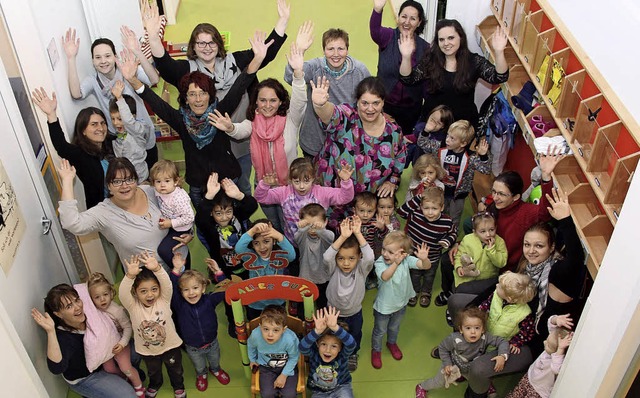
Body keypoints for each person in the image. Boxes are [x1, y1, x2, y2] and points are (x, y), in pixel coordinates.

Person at [142, 0, 290, 195]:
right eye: (201, 43)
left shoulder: (235, 61)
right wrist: (153, 38)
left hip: (239, 139)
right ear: (193, 47)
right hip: (209, 148)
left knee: (242, 185)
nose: (207, 47)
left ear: (218, 44)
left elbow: (265, 53)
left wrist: (283, 20)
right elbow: (165, 65)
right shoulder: (186, 69)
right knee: (212, 194)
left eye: (211, 42)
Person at [119, 32, 270, 208]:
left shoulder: (219, 112)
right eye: (192, 94)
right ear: (186, 98)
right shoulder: (180, 119)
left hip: (229, 182)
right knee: (206, 228)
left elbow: (240, 85)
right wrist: (131, 79)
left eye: (203, 93)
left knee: (238, 222)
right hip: (200, 186)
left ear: (210, 95)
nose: (198, 99)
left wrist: (258, 58)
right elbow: (156, 102)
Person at [211, 42, 307, 232]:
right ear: (256, 101)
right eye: (262, 100)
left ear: (280, 101)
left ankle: (294, 260)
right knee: (276, 229)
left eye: (273, 100)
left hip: (291, 186)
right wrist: (229, 127)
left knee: (294, 228)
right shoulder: (254, 122)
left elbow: (300, 99)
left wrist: (298, 74)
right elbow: (239, 130)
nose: (267, 105)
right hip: (265, 186)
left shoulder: (290, 119)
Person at [57, 158, 190, 271]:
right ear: (108, 186)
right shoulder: (104, 213)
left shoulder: (152, 192)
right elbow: (72, 223)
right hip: (148, 283)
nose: (124, 186)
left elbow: (182, 210)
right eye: (117, 181)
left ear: (136, 180)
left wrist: (189, 234)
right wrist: (67, 182)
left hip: (179, 264)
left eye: (129, 179)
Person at [311, 76, 407, 227]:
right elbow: (329, 114)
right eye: (365, 103)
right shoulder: (346, 117)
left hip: (366, 209)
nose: (370, 109)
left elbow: (400, 160)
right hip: (333, 201)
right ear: (357, 101)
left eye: (376, 103)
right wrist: (320, 104)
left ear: (383, 102)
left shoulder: (394, 131)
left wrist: (392, 181)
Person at [63, 29, 158, 166]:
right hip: (118, 138)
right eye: (98, 57)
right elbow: (77, 94)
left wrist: (138, 52)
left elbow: (154, 79)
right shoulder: (94, 80)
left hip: (140, 132)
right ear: (93, 60)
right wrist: (71, 58)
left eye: (107, 56)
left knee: (149, 171)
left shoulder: (128, 69)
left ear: (115, 57)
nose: (103, 61)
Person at [31, 285, 138, 398]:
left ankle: (122, 376)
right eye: (69, 306)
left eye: (77, 300)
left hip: (105, 359)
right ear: (58, 314)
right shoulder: (64, 338)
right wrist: (50, 331)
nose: (77, 307)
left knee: (136, 350)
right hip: (86, 377)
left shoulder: (90, 314)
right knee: (128, 395)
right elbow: (56, 368)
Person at [399, 19, 508, 129]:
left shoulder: (474, 61)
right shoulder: (431, 60)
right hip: (433, 126)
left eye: (451, 38)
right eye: (441, 39)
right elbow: (408, 79)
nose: (446, 43)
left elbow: (500, 77)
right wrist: (406, 57)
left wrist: (499, 52)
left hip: (461, 129)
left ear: (461, 37)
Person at [284, 22, 370, 159]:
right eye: (330, 49)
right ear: (323, 50)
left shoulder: (360, 71)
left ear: (347, 50)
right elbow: (289, 78)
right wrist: (300, 51)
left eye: (340, 49)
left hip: (346, 142)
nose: (336, 54)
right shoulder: (314, 67)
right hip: (314, 142)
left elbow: (369, 99)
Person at [518, 189, 585, 356]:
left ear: (552, 248)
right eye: (527, 245)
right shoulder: (528, 266)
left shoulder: (557, 272)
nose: (531, 251)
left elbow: (576, 258)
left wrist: (565, 220)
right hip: (521, 326)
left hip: (540, 345)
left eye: (539, 246)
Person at [195, 172, 258, 337]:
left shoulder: (238, 218)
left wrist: (239, 195)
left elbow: (251, 206)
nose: (224, 217)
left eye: (228, 212)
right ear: (211, 213)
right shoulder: (209, 227)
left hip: (246, 265)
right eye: (218, 213)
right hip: (225, 269)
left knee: (250, 293)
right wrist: (209, 196)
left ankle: (252, 317)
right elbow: (200, 219)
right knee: (229, 296)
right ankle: (233, 320)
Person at [32, 88, 114, 209]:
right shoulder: (81, 155)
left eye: (103, 123)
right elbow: (61, 145)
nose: (100, 128)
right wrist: (51, 114)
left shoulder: (112, 144)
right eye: (94, 124)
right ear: (83, 131)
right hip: (103, 212)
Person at [119, 252, 185, 398]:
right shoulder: (132, 306)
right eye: (143, 291)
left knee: (175, 369)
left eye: (154, 289)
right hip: (147, 351)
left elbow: (167, 284)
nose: (150, 295)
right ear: (135, 293)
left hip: (170, 346)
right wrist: (129, 276)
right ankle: (155, 384)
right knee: (153, 371)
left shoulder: (164, 300)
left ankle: (178, 386)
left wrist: (157, 269)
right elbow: (123, 294)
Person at [463, 272, 537, 398]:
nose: (497, 285)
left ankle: (485, 383)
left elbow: (527, 332)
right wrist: (478, 316)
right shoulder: (496, 295)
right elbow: (485, 305)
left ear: (510, 299)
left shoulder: (524, 313)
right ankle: (466, 373)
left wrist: (516, 342)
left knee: (483, 363)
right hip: (484, 336)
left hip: (498, 344)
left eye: (501, 286)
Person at [254, 158, 353, 245]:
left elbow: (345, 198)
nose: (301, 186)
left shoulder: (322, 193)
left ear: (313, 178)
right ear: (290, 179)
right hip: (292, 242)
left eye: (306, 181)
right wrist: (264, 185)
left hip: (317, 243)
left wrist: (346, 181)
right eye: (296, 181)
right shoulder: (284, 192)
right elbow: (261, 198)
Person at [415, 307, 509, 398]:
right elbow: (443, 348)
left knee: (479, 381)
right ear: (461, 329)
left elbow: (502, 341)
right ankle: (422, 386)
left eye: (477, 328)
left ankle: (486, 386)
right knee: (439, 382)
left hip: (471, 370)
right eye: (468, 328)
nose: (473, 332)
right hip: (453, 365)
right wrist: (447, 364)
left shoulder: (485, 337)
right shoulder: (454, 339)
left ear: (483, 329)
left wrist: (502, 356)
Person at [169, 256, 230, 391]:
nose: (191, 293)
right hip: (192, 347)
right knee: (199, 365)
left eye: (195, 288)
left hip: (212, 342)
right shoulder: (179, 305)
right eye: (186, 290)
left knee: (215, 360)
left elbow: (224, 289)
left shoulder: (209, 300)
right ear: (181, 292)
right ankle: (201, 374)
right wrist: (176, 269)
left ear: (203, 288)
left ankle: (215, 369)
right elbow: (171, 287)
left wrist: (218, 272)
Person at [371, 231, 430, 369]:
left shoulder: (406, 260)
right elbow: (385, 277)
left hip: (401, 304)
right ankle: (376, 350)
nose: (385, 254)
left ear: (403, 253)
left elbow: (425, 266)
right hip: (383, 307)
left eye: (390, 252)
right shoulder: (380, 262)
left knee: (394, 327)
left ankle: (391, 342)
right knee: (379, 331)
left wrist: (424, 259)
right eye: (384, 249)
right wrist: (395, 263)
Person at [323, 216, 375, 371]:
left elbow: (370, 256)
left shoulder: (361, 269)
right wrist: (343, 236)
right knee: (331, 335)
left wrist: (358, 234)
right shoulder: (333, 268)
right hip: (332, 312)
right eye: (341, 258)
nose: (346, 263)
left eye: (351, 258)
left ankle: (352, 354)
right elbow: (327, 257)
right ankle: (333, 351)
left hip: (354, 313)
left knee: (355, 334)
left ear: (359, 258)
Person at [370, 0, 429, 136]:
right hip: (385, 104)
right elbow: (375, 31)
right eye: (404, 16)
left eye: (413, 18)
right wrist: (377, 9)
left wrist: (428, 112)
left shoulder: (425, 48)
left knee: (404, 143)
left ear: (419, 22)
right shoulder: (388, 36)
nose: (407, 22)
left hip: (411, 109)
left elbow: (426, 83)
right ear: (398, 17)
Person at [397, 187, 457, 308]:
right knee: (414, 274)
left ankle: (426, 292)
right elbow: (401, 212)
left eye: (434, 209)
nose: (430, 212)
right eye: (426, 208)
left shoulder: (446, 221)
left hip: (433, 257)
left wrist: (447, 241)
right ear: (420, 206)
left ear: (442, 208)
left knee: (429, 276)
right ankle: (414, 292)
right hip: (414, 254)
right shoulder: (416, 214)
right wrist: (419, 197)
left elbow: (453, 233)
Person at [86, 273, 145, 397]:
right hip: (106, 347)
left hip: (120, 345)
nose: (102, 299)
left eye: (105, 295)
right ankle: (124, 381)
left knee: (126, 368)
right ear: (91, 299)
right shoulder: (93, 313)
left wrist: (122, 344)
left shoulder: (117, 310)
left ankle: (139, 386)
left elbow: (128, 327)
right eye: (97, 297)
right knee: (109, 370)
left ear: (111, 293)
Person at [235, 219, 297, 320]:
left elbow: (292, 255)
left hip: (277, 303)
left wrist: (279, 236)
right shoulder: (251, 257)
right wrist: (252, 231)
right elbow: (239, 249)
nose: (262, 247)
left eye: (266, 241)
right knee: (256, 329)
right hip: (255, 304)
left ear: (274, 241)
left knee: (277, 328)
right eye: (256, 243)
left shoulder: (279, 256)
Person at [437, 120, 491, 227]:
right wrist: (426, 131)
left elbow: (485, 170)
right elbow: (423, 143)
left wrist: (483, 156)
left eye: (452, 138)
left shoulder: (470, 158)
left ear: (463, 143)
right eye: (448, 135)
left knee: (454, 218)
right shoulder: (441, 149)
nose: (447, 140)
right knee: (438, 213)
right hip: (440, 191)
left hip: (458, 196)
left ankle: (451, 234)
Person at [506, 315, 574, 398]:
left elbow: (556, 369)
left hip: (539, 391)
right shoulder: (553, 340)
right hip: (529, 378)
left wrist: (560, 349)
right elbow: (550, 323)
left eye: (548, 345)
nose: (544, 342)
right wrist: (556, 320)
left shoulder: (557, 360)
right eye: (547, 340)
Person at [299, 306, 357, 398]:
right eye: (324, 344)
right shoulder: (314, 353)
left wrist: (335, 327)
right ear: (317, 344)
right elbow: (302, 347)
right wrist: (317, 331)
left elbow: (351, 344)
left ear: (340, 348)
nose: (328, 350)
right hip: (319, 392)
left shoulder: (342, 355)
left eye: (334, 346)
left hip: (341, 387)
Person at [248, 305, 300, 398]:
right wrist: (252, 359)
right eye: (266, 329)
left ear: (283, 329)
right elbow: (251, 345)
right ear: (260, 327)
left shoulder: (289, 339)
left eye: (276, 330)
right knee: (267, 394)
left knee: (289, 395)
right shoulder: (256, 335)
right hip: (266, 368)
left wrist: (284, 375)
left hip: (287, 367)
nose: (270, 334)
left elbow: (294, 357)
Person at [150, 160, 194, 266]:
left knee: (163, 250)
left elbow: (189, 217)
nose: (162, 185)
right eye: (158, 181)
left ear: (175, 181)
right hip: (171, 223)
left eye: (167, 181)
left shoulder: (178, 198)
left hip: (181, 228)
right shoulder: (158, 191)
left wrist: (171, 223)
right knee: (178, 248)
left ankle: (180, 268)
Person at [453, 212, 507, 294]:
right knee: (456, 288)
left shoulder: (500, 242)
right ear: (475, 232)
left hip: (486, 279)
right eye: (482, 231)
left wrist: (491, 250)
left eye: (492, 230)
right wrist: (458, 267)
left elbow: (501, 263)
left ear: (496, 228)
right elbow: (459, 255)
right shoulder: (467, 239)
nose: (488, 234)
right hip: (466, 276)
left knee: (461, 291)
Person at [108, 80, 152, 182]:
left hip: (141, 179)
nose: (115, 123)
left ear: (133, 117)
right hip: (126, 179)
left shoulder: (136, 130)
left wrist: (120, 98)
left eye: (119, 119)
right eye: (113, 119)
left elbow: (128, 121)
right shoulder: (118, 136)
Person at [294, 204, 335, 310]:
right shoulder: (303, 239)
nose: (312, 230)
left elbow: (330, 237)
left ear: (325, 222)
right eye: (309, 226)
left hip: (324, 279)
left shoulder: (326, 237)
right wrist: (303, 227)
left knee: (323, 307)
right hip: (305, 279)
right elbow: (297, 236)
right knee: (304, 309)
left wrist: (320, 230)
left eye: (316, 226)